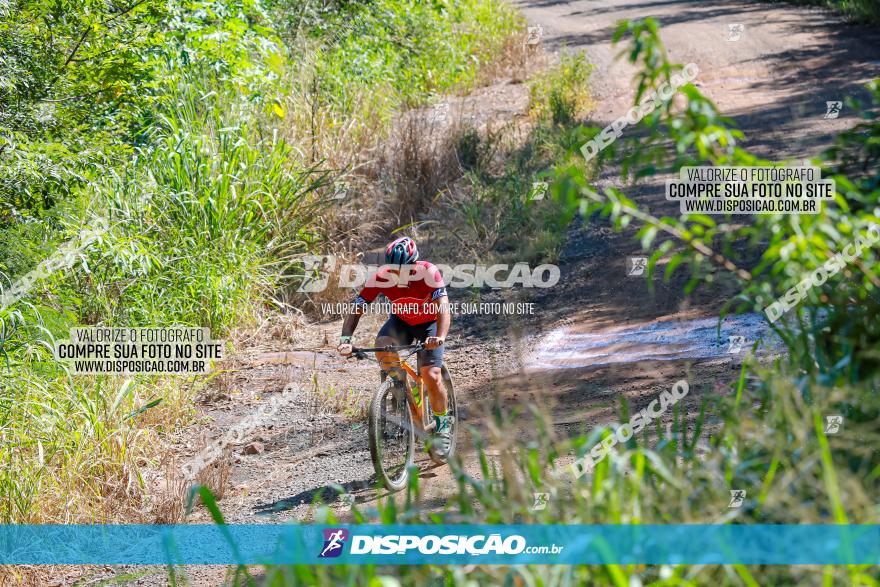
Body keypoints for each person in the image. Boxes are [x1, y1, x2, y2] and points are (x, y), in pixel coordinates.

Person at [337, 236, 452, 456]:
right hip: (402, 323)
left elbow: (443, 307)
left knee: (432, 374)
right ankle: (401, 390)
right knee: (382, 346)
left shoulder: (429, 272)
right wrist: (345, 340)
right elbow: (357, 307)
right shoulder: (381, 277)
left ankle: (443, 426)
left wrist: (440, 336)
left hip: (429, 324)